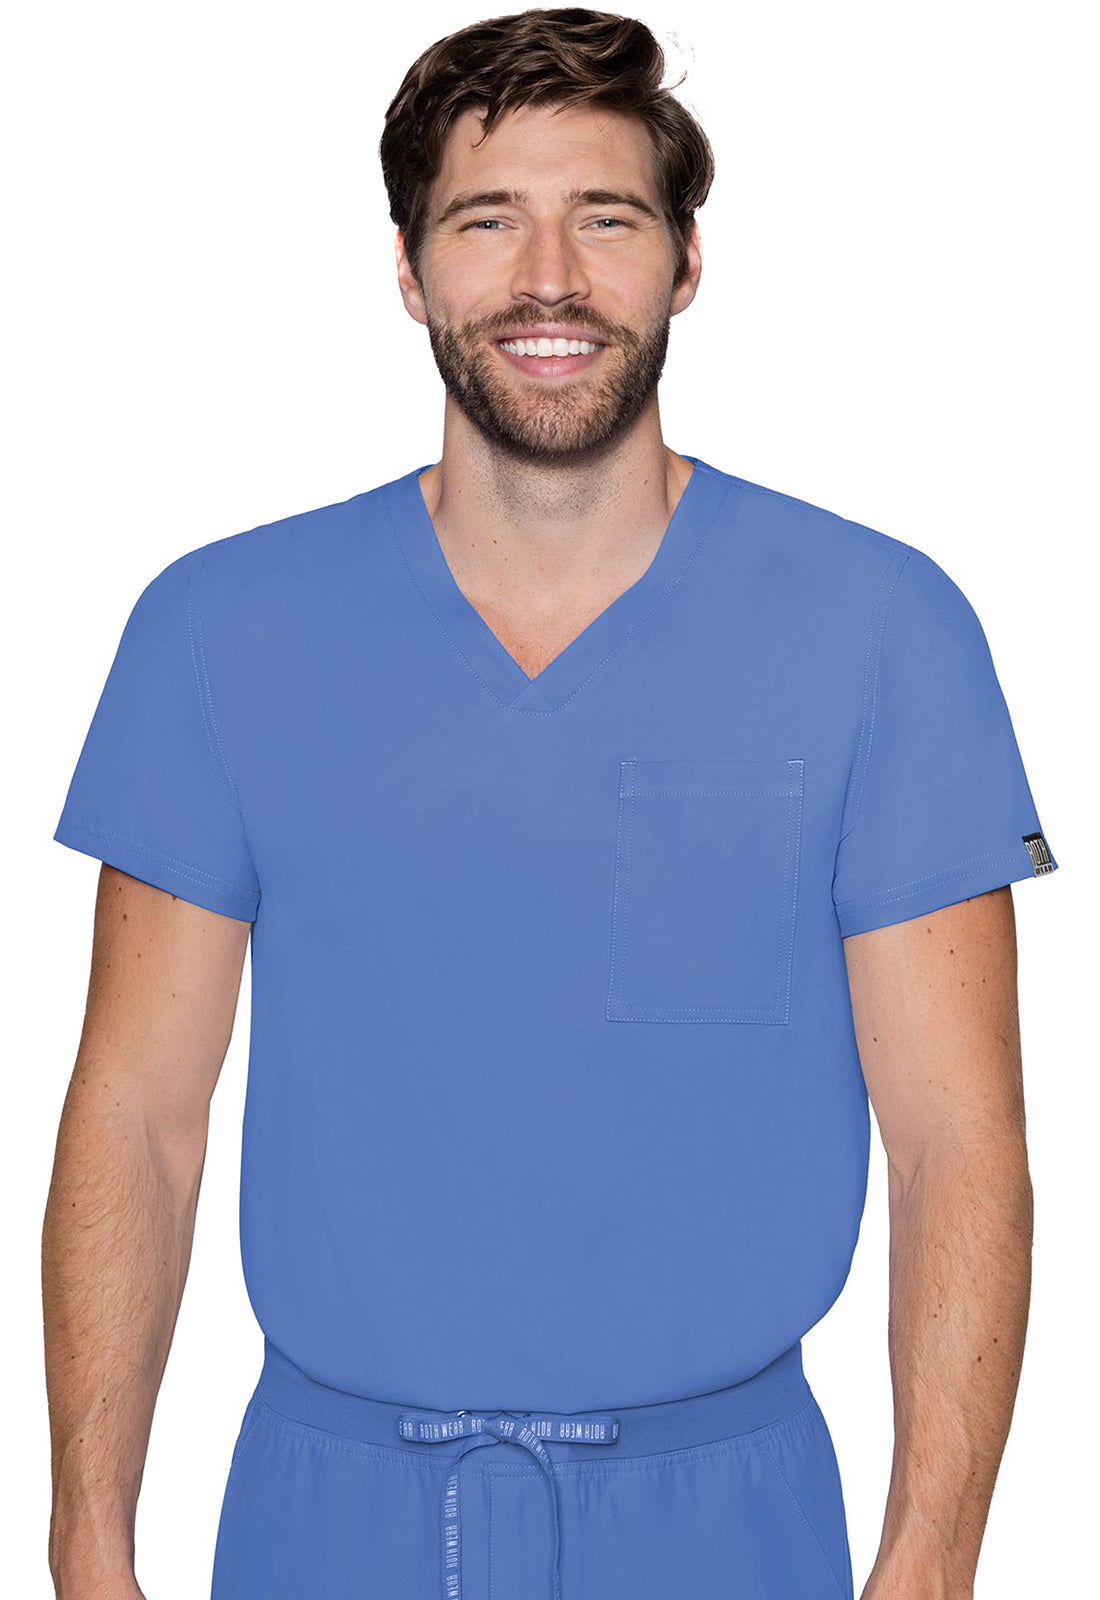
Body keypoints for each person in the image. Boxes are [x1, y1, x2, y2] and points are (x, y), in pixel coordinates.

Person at [42, 10, 1059, 1600]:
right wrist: (88, 1543)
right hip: (327, 1519)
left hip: (726, 1519)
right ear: (407, 268)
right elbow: (138, 1120)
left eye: (606, 219)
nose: (549, 279)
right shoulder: (219, 633)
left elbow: (960, 1151)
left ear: (687, 261)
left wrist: (931, 1563)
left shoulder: (880, 633)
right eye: (485, 222)